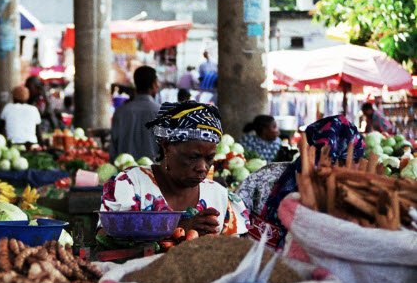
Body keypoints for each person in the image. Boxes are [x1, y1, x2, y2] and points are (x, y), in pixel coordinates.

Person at [101, 101, 249, 237]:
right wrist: (177, 227)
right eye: (193, 157)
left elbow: (236, 253)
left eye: (209, 158)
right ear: (166, 147)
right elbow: (104, 236)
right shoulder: (130, 185)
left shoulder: (219, 196)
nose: (202, 167)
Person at [237, 114, 365, 249]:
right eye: (356, 160)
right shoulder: (348, 200)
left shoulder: (266, 173)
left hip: (249, 261)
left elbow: (233, 219)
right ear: (344, 161)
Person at [111, 66, 161, 160]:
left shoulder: (120, 112)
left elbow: (113, 150)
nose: (158, 85)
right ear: (154, 85)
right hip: (153, 173)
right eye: (157, 82)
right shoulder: (162, 113)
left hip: (124, 173)